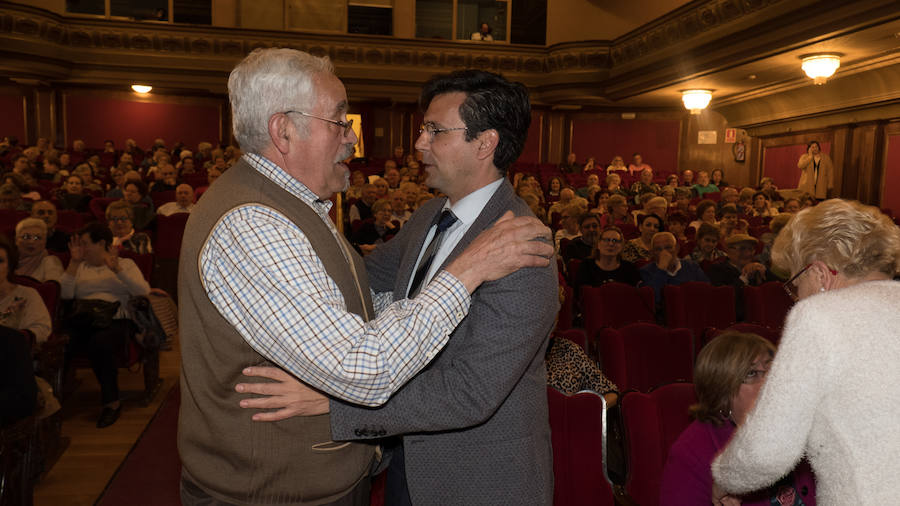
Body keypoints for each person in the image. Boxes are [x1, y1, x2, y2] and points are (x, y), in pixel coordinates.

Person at [178, 50, 553, 506]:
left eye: (434, 131)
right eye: (340, 121)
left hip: (474, 478)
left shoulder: (521, 247)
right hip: (387, 469)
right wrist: (463, 272)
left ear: (484, 143)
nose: (416, 143)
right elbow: (360, 291)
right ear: (283, 131)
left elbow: (471, 391)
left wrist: (335, 402)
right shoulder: (430, 216)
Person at [712, 199, 900, 505]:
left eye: (795, 283)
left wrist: (725, 479)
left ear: (819, 274)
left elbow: (767, 452)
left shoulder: (820, 316)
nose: (796, 298)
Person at [660, 331, 816, 505]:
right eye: (752, 373)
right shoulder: (691, 453)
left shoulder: (797, 425)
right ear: (722, 392)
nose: (770, 381)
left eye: (772, 370)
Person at [61, 223, 151, 427]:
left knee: (99, 343)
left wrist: (117, 270)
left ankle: (112, 402)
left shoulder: (125, 264)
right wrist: (73, 263)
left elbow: (142, 291)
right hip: (84, 320)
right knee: (62, 343)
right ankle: (54, 399)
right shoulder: (80, 266)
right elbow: (65, 294)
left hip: (116, 320)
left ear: (101, 243)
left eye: (84, 244)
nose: (80, 249)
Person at [640, 231, 709, 307]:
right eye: (658, 249)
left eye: (668, 247)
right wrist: (661, 269)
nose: (664, 252)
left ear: (677, 248)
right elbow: (653, 300)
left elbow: (707, 291)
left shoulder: (691, 266)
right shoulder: (646, 271)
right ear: (652, 253)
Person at [573, 226, 641, 299]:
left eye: (615, 241)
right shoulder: (586, 266)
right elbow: (580, 296)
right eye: (606, 240)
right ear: (598, 244)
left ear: (621, 246)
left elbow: (635, 297)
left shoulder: (629, 268)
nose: (611, 244)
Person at [14, 217, 64, 282]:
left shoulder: (50, 262)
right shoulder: (7, 260)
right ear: (16, 240)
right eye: (26, 237)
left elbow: (53, 290)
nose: (31, 242)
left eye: (38, 237)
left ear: (45, 241)